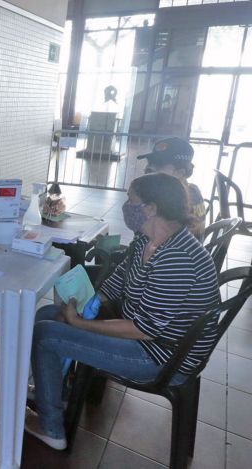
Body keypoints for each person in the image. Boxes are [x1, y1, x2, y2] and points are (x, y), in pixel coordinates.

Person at [26, 173, 219, 451]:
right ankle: (56, 394)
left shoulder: (178, 257)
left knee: (45, 335)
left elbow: (143, 329)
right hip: (147, 339)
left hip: (162, 358)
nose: (125, 206)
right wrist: (88, 303)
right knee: (47, 315)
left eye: (132, 200)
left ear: (151, 208)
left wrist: (78, 323)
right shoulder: (147, 239)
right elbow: (120, 277)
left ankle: (51, 427)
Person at [138, 137, 207, 239]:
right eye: (150, 162)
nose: (150, 168)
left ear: (180, 172)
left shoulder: (173, 202)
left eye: (160, 165)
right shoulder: (192, 189)